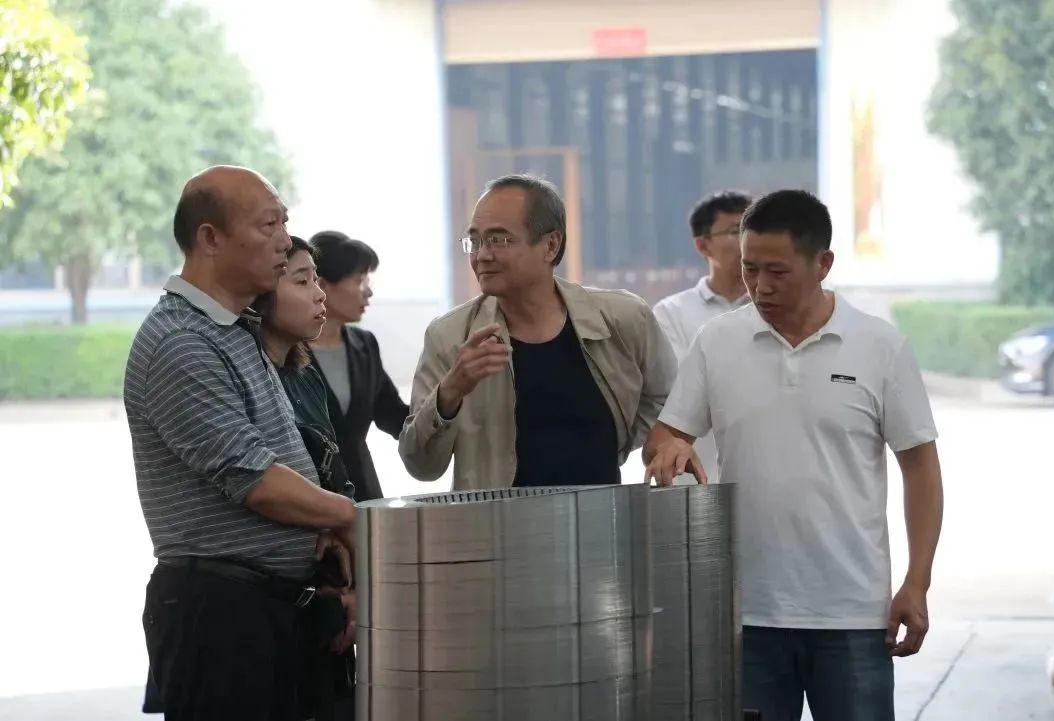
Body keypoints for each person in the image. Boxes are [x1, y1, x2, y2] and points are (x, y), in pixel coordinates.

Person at [644, 190, 944, 721]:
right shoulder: (718, 341)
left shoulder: (879, 346)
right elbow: (665, 435)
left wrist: (916, 583)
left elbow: (920, 468)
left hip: (853, 614)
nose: (760, 286)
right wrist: (670, 446)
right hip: (745, 614)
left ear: (823, 263)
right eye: (750, 268)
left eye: (777, 271)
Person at [124, 166, 357, 721]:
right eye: (269, 225)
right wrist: (351, 518)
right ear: (210, 238)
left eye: (285, 223)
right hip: (219, 616)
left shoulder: (234, 332)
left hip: (267, 607)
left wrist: (324, 529)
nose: (283, 240)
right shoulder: (182, 340)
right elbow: (255, 479)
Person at [399, 173, 678, 490]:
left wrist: (619, 441)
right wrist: (450, 391)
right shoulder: (450, 337)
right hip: (495, 520)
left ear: (550, 245)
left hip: (602, 516)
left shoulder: (622, 319)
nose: (482, 255)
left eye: (499, 240)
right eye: (475, 241)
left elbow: (668, 400)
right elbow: (420, 465)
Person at [252, 234, 356, 721]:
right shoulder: (240, 374)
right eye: (301, 280)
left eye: (317, 279)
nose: (319, 293)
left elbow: (336, 477)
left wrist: (354, 583)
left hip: (322, 596)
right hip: (260, 601)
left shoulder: (306, 372)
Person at [652, 190, 753, 485]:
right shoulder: (672, 313)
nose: (746, 240)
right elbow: (681, 390)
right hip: (696, 483)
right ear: (702, 244)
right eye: (735, 231)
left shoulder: (775, 311)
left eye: (751, 229)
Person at [306, 230, 408, 501]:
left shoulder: (364, 345)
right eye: (359, 280)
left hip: (364, 496)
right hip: (311, 497)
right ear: (322, 285)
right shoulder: (287, 350)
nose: (368, 291)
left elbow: (395, 416)